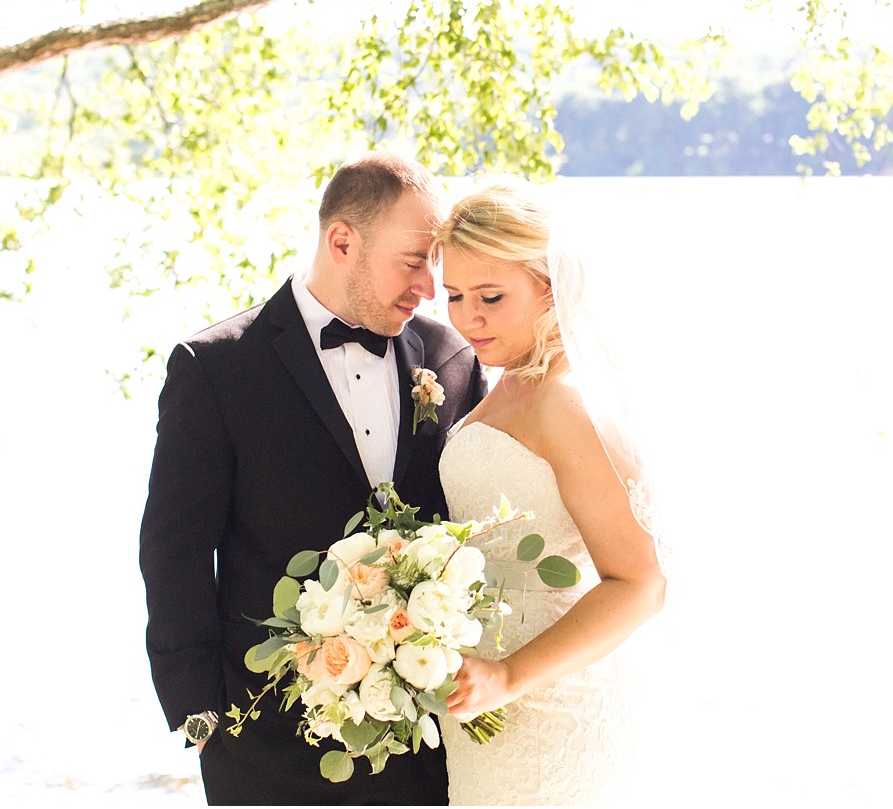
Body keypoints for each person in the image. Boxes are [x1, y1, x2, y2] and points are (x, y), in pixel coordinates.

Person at [140, 153, 489, 805]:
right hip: (266, 749)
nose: (430, 287)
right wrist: (200, 723)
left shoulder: (452, 360)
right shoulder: (215, 368)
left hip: (425, 748)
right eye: (415, 261)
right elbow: (174, 556)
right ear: (342, 240)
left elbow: (474, 538)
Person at [431, 178, 666, 805]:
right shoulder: (509, 381)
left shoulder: (568, 401)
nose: (466, 317)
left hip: (555, 716)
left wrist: (509, 676)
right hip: (484, 713)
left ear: (550, 283)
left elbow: (640, 583)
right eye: (452, 295)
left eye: (490, 296)